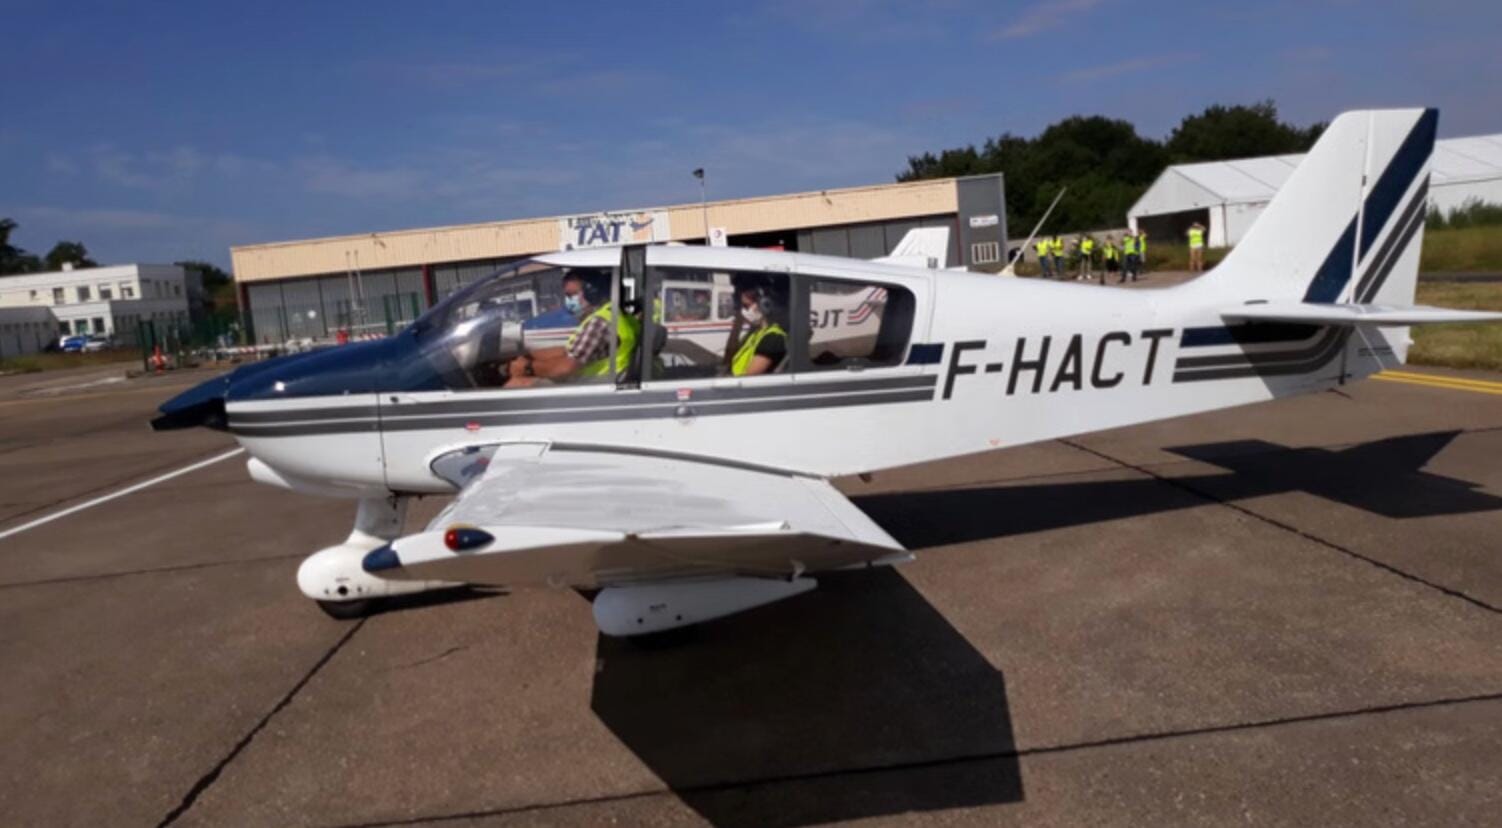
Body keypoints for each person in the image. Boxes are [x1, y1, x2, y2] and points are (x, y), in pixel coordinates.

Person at [506, 269, 638, 386]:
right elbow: (567, 351)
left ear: (591, 293)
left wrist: (527, 368)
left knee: (518, 383)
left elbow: (566, 368)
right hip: (600, 383)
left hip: (591, 388)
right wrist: (528, 356)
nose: (568, 301)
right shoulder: (612, 315)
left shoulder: (599, 322)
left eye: (572, 295)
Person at [725, 276, 788, 376]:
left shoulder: (773, 338)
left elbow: (749, 379)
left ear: (764, 305)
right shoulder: (756, 332)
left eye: (746, 306)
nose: (743, 311)